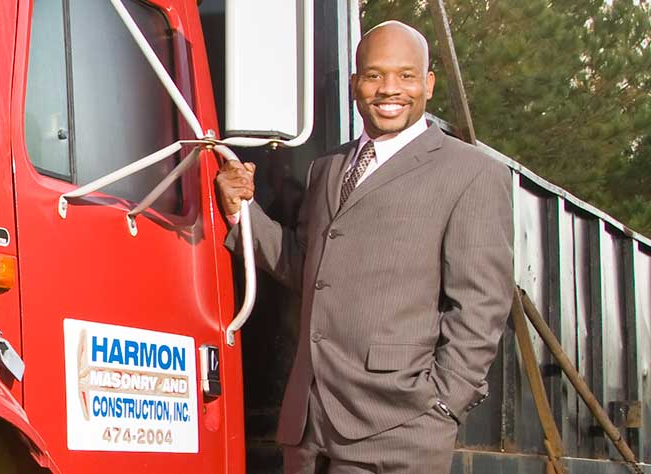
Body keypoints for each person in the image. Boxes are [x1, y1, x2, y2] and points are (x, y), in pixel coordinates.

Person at [216, 20, 513, 474]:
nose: (389, 89)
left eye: (406, 75)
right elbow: (306, 267)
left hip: (399, 430)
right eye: (374, 75)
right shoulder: (326, 168)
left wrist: (443, 405)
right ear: (355, 84)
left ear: (428, 84)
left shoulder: (470, 173)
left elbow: (481, 306)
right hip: (309, 427)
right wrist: (241, 212)